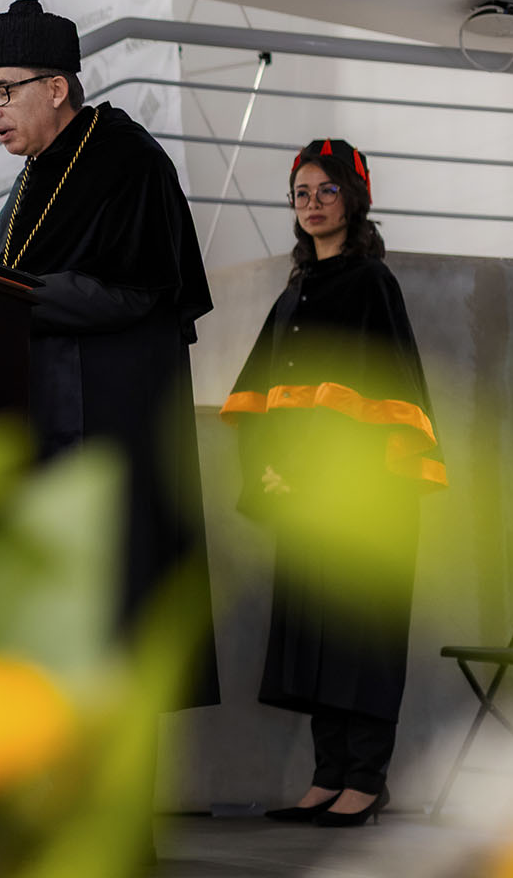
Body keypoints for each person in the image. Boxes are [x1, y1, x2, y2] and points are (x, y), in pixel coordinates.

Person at [0, 0, 219, 705]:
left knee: (113, 633)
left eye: (3, 91)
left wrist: (11, 295)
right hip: (45, 427)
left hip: (109, 429)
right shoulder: (31, 178)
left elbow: (138, 291)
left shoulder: (126, 160)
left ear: (56, 88)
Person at [223, 140, 441, 828]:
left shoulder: (370, 284)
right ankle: (328, 776)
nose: (312, 205)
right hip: (302, 497)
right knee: (317, 638)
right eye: (300, 193)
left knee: (360, 636)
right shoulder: (296, 291)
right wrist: (267, 464)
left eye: (325, 191)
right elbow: (262, 396)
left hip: (360, 497)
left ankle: (366, 781)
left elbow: (382, 400)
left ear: (353, 199)